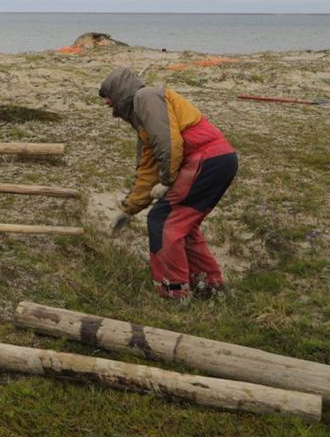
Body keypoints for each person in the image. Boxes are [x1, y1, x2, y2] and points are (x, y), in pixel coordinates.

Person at [99, 66, 236, 299]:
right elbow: (148, 168)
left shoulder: (146, 97)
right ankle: (210, 287)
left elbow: (168, 142)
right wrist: (129, 209)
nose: (106, 104)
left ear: (120, 92)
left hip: (205, 159)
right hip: (219, 160)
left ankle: (174, 292)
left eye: (107, 96)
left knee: (162, 221)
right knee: (184, 225)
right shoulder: (143, 117)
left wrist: (167, 180)